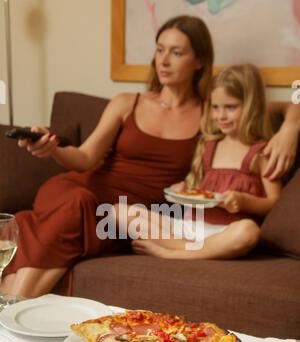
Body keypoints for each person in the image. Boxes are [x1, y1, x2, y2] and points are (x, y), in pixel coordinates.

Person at [1, 16, 299, 297]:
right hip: (80, 190)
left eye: (176, 52)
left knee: (70, 216)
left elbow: (268, 106)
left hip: (123, 217)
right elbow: (85, 157)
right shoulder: (126, 103)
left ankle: (13, 303)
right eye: (159, 50)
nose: (164, 60)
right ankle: (17, 306)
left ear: (198, 61)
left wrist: (291, 127)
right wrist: (53, 148)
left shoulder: (213, 110)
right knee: (76, 203)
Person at [115, 64, 282, 259]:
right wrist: (184, 189)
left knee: (249, 231)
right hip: (189, 227)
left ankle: (171, 253)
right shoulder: (210, 146)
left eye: (230, 107)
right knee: (118, 212)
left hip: (223, 233)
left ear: (251, 105)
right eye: (216, 107)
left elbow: (275, 203)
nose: (220, 116)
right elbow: (202, 191)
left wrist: (244, 201)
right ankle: (190, 249)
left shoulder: (261, 153)